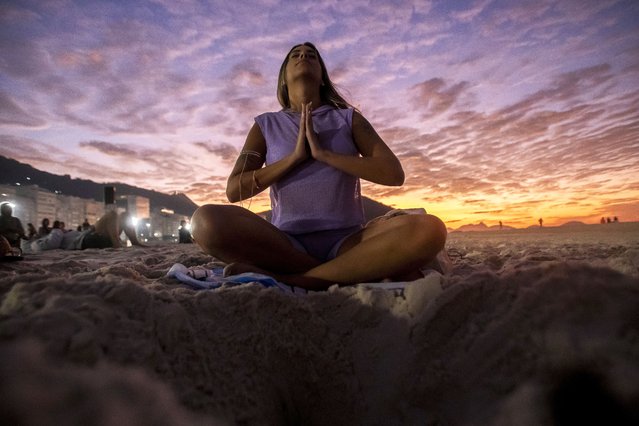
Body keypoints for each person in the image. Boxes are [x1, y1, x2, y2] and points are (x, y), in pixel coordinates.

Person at [191, 42, 447, 291]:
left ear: (323, 77)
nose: (304, 56)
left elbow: (393, 173)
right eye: (296, 55)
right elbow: (234, 191)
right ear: (283, 78)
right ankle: (342, 271)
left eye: (311, 55)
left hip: (349, 241)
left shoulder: (348, 118)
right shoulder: (265, 125)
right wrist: (293, 159)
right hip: (287, 244)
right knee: (205, 222)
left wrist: (325, 155)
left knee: (430, 229)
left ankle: (297, 279)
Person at [30, 210, 143, 252]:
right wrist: (58, 231)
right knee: (112, 214)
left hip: (91, 237)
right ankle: (116, 244)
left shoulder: (64, 232)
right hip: (85, 240)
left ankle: (135, 242)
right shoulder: (55, 233)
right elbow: (50, 244)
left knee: (125, 214)